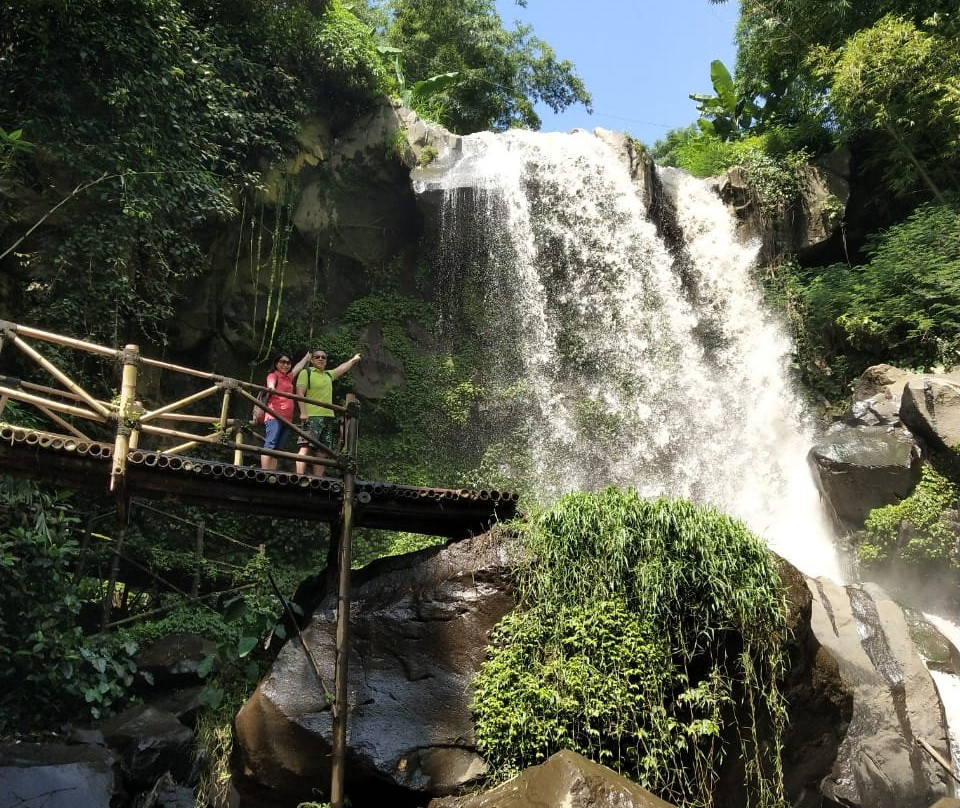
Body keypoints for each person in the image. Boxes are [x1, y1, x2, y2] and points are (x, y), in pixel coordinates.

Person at [295, 348, 362, 476]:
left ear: (326, 361)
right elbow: (299, 393)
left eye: (323, 357)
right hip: (312, 416)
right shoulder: (306, 372)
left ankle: (317, 478)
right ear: (312, 360)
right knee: (305, 447)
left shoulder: (328, 375)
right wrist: (303, 412)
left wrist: (353, 360)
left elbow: (341, 369)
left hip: (328, 417)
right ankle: (299, 475)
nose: (320, 359)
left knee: (322, 451)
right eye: (317, 357)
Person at [259, 350, 310, 470]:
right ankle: (265, 471)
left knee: (279, 447)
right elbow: (270, 383)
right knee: (271, 443)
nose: (286, 365)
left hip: (287, 419)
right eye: (282, 362)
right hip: (274, 415)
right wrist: (271, 388)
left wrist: (306, 358)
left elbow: (297, 368)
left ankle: (272, 471)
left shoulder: (288, 377)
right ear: (276, 363)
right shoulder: (273, 375)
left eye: (288, 363)